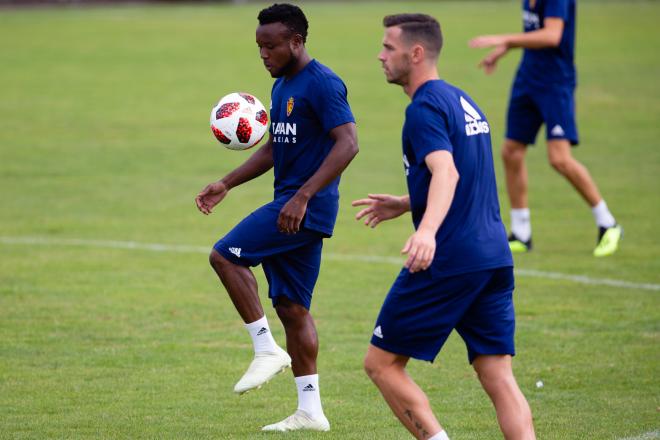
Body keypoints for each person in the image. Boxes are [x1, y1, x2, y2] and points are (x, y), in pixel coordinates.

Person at [352, 14, 535, 440]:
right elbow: (464, 176)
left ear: (416, 53)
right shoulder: (462, 101)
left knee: (381, 365)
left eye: (388, 48)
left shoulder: (423, 109)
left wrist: (427, 230)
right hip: (492, 256)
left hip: (449, 258)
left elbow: (447, 173)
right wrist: (405, 202)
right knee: (497, 373)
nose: (380, 56)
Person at [195, 3, 357, 432]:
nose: (263, 54)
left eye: (270, 46)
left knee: (225, 256)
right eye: (259, 47)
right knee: (292, 307)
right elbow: (274, 147)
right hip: (293, 207)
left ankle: (266, 350)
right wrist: (227, 182)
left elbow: (348, 143)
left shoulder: (322, 84)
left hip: (303, 208)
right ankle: (311, 411)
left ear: (296, 42)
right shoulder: (283, 84)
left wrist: (303, 197)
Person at [469, 0, 622, 257]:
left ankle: (608, 223)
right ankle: (521, 233)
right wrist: (503, 49)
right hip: (527, 79)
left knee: (559, 159)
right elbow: (532, 33)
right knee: (511, 152)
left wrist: (503, 38)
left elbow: (552, 36)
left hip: (555, 84)